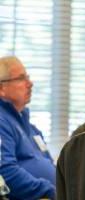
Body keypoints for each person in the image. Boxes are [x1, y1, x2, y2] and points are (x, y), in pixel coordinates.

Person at [0, 56, 56, 200]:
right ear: (1, 88)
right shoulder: (2, 121)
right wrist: (49, 190)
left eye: (28, 77)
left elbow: (48, 163)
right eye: (21, 78)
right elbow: (5, 171)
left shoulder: (31, 128)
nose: (30, 84)